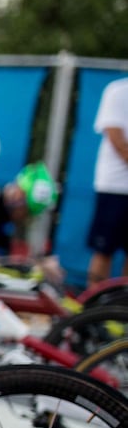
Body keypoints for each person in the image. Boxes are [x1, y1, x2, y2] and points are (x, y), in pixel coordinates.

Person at [88, 75, 128, 284]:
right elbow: (118, 142)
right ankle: (93, 310)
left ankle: (122, 310)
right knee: (103, 251)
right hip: (114, 188)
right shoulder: (117, 91)